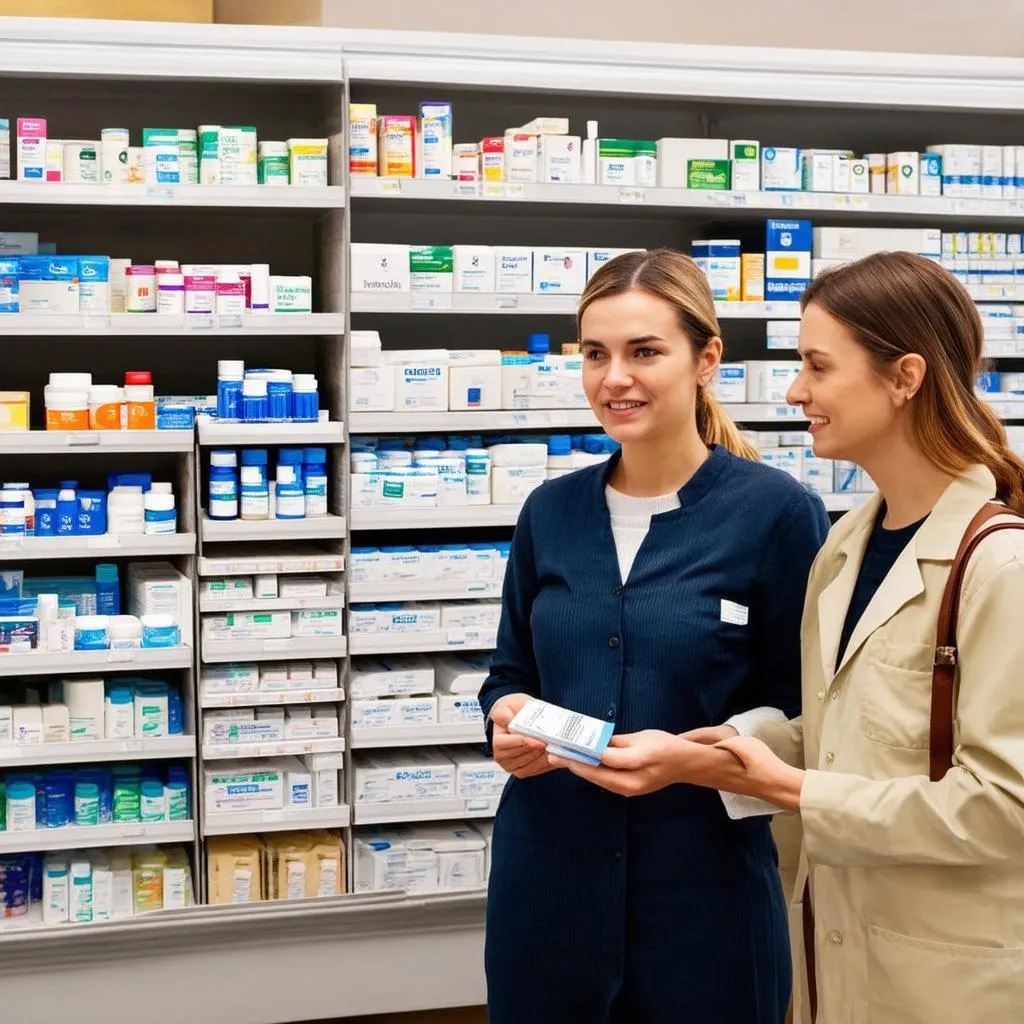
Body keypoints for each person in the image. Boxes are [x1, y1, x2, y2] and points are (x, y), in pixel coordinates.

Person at [554, 250, 1024, 1024]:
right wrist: (721, 748)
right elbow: (840, 732)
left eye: (816, 365)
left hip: (955, 974)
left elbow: (1003, 806)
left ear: (903, 377)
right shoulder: (846, 546)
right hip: (838, 950)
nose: (796, 391)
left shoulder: (999, 561)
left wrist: (791, 790)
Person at [478, 247, 830, 1024]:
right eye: (595, 354)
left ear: (706, 358)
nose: (615, 378)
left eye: (644, 352)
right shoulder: (550, 512)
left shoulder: (775, 513)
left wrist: (696, 760)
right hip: (548, 885)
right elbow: (507, 675)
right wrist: (506, 724)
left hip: (703, 890)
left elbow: (808, 710)